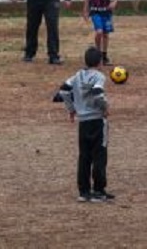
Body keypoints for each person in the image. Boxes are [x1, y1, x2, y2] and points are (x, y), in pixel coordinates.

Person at [57, 46, 113, 203]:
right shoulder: (99, 76)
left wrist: (72, 109)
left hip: (83, 122)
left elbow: (63, 90)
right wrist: (105, 108)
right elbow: (97, 93)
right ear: (100, 62)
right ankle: (99, 191)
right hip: (97, 121)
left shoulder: (77, 75)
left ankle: (84, 191)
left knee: (84, 156)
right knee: (99, 155)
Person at [82, 0, 119, 66]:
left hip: (107, 12)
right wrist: (85, 10)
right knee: (99, 31)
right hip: (95, 11)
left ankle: (104, 55)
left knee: (106, 34)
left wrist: (114, 2)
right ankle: (97, 53)